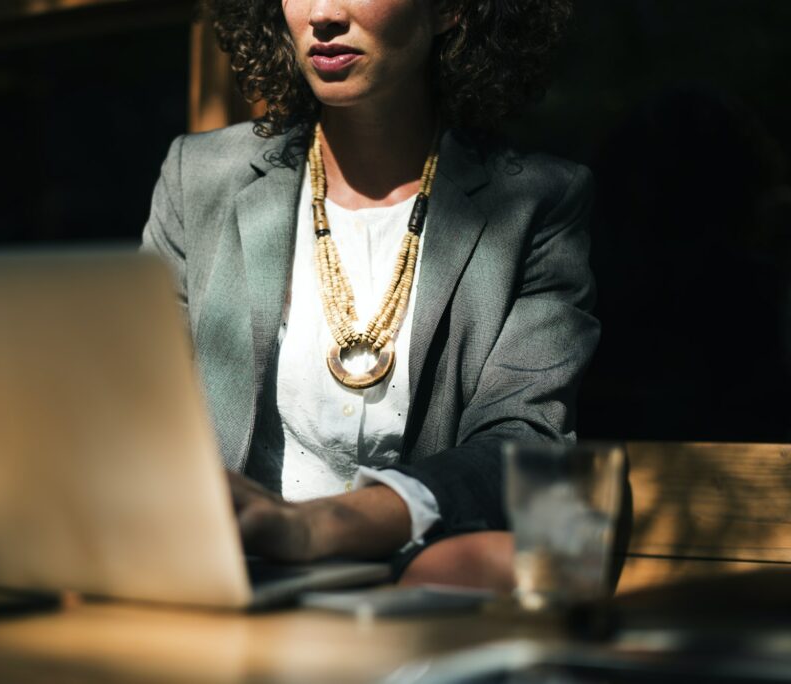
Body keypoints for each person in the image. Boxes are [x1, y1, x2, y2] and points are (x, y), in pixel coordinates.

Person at [142, 0, 595, 590]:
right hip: (225, 580)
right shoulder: (198, 177)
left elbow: (524, 443)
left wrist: (317, 527)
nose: (323, 13)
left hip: (427, 589)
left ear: (449, 11)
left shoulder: (538, 202)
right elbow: (143, 406)